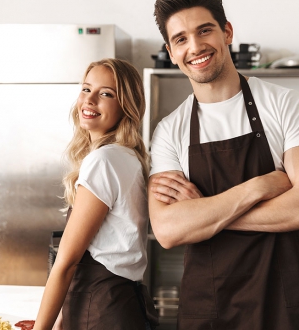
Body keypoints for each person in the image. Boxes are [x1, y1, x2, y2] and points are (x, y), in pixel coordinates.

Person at [148, 0, 299, 329]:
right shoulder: (169, 131)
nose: (195, 47)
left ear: (227, 32)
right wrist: (258, 187)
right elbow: (169, 230)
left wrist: (202, 213)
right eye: (181, 39)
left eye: (204, 31)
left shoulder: (286, 104)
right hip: (208, 310)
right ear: (171, 52)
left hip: (283, 304)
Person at [33, 58, 159, 330]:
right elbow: (105, 248)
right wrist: (60, 321)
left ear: (126, 107)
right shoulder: (128, 158)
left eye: (106, 94)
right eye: (86, 89)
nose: (89, 100)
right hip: (118, 307)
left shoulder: (104, 161)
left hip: (101, 314)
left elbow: (66, 263)